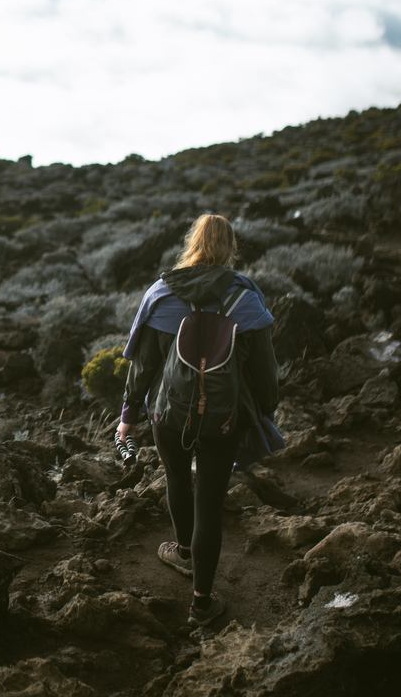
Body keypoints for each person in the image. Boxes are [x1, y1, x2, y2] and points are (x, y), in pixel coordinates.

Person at [116, 213, 279, 628]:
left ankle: (185, 555)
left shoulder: (161, 292)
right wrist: (261, 415)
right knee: (210, 500)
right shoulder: (246, 297)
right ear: (231, 247)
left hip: (168, 416)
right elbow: (265, 372)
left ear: (192, 242)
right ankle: (202, 604)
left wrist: (128, 416)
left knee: (175, 479)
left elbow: (143, 365)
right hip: (223, 420)